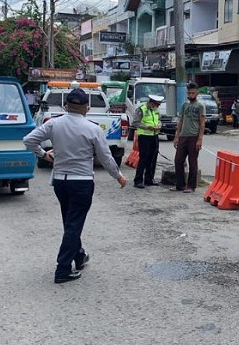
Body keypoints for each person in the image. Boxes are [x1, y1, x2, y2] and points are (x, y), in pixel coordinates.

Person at [23, 88, 127, 284]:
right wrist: (118, 176)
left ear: (66, 106)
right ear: (86, 108)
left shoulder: (53, 124)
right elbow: (106, 158)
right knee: (73, 224)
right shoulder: (93, 129)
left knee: (70, 222)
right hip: (82, 182)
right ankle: (62, 269)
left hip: (60, 182)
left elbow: (28, 140)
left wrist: (43, 154)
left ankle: (78, 256)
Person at [173, 83, 205, 193]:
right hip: (183, 136)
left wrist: (200, 139)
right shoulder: (184, 105)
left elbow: (202, 123)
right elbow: (180, 121)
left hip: (194, 136)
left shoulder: (200, 106)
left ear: (197, 93)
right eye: (189, 93)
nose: (191, 95)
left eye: (193, 93)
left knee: (192, 162)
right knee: (178, 160)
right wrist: (177, 136)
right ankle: (180, 185)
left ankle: (191, 186)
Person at [132, 94, 163, 189]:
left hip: (154, 136)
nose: (156, 107)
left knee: (152, 159)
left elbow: (159, 120)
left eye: (158, 105)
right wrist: (148, 127)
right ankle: (138, 180)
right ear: (150, 102)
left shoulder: (156, 110)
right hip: (144, 136)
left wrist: (159, 125)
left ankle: (149, 179)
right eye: (155, 105)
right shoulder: (141, 109)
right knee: (143, 159)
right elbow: (135, 122)